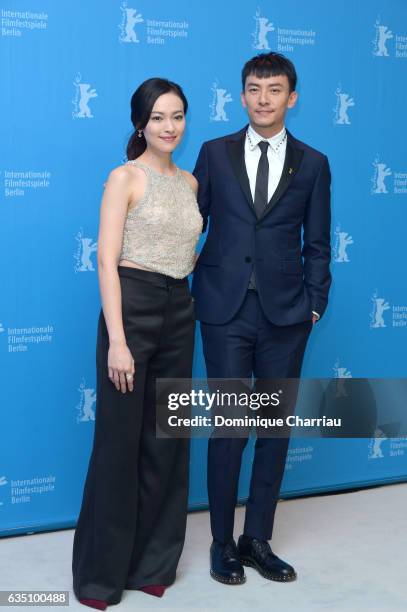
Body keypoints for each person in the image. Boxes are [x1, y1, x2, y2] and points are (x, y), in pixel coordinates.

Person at [192, 52, 332, 585]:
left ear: (291, 98)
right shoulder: (213, 152)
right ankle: (223, 543)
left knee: (273, 430)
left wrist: (313, 304)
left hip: (286, 315)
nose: (264, 99)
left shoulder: (313, 163)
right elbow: (191, 226)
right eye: (254, 88)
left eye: (274, 90)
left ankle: (258, 539)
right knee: (229, 429)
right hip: (224, 312)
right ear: (241, 95)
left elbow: (317, 244)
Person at [72, 78, 203, 609]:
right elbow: (105, 260)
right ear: (140, 124)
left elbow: (186, 250)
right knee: (119, 445)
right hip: (133, 308)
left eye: (177, 116)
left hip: (180, 311)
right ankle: (101, 578)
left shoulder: (191, 183)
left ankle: (153, 564)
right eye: (158, 118)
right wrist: (118, 341)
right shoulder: (124, 177)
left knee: (168, 443)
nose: (169, 127)